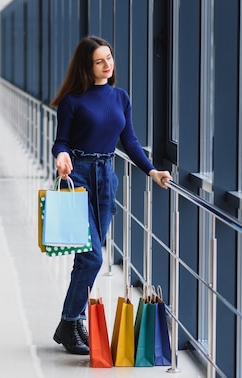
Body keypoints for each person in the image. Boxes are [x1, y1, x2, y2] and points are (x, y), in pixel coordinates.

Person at [50, 36, 172, 355]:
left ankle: (71, 323)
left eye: (110, 58)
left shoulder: (120, 97)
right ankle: (70, 319)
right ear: (86, 67)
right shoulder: (73, 101)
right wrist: (61, 157)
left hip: (106, 178)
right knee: (92, 256)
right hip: (77, 177)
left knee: (86, 256)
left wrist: (152, 171)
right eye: (99, 61)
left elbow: (128, 140)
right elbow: (60, 141)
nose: (108, 65)